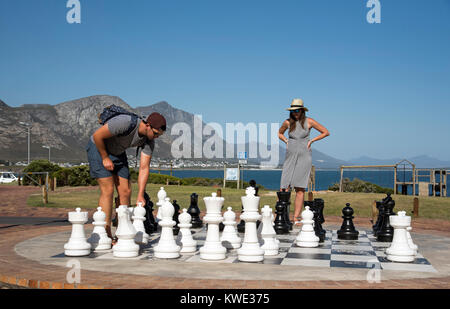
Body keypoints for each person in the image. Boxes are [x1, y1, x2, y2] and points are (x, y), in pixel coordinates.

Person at [86, 111, 166, 242]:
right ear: (147, 125)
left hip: (118, 153)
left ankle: (122, 230)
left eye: (159, 135)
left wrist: (140, 194)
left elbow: (144, 168)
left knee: (126, 191)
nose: (156, 137)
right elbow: (97, 136)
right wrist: (105, 157)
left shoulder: (149, 141)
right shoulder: (125, 122)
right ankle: (105, 234)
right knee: (108, 190)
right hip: (98, 148)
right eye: (156, 133)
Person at [278, 99, 329, 225]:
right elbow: (279, 133)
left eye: (297, 110)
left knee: (300, 189)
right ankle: (281, 216)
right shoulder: (287, 122)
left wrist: (312, 141)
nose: (295, 113)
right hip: (290, 156)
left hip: (304, 156)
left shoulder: (309, 121)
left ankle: (295, 218)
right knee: (284, 187)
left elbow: (326, 132)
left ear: (302, 110)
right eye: (293, 111)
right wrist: (285, 140)